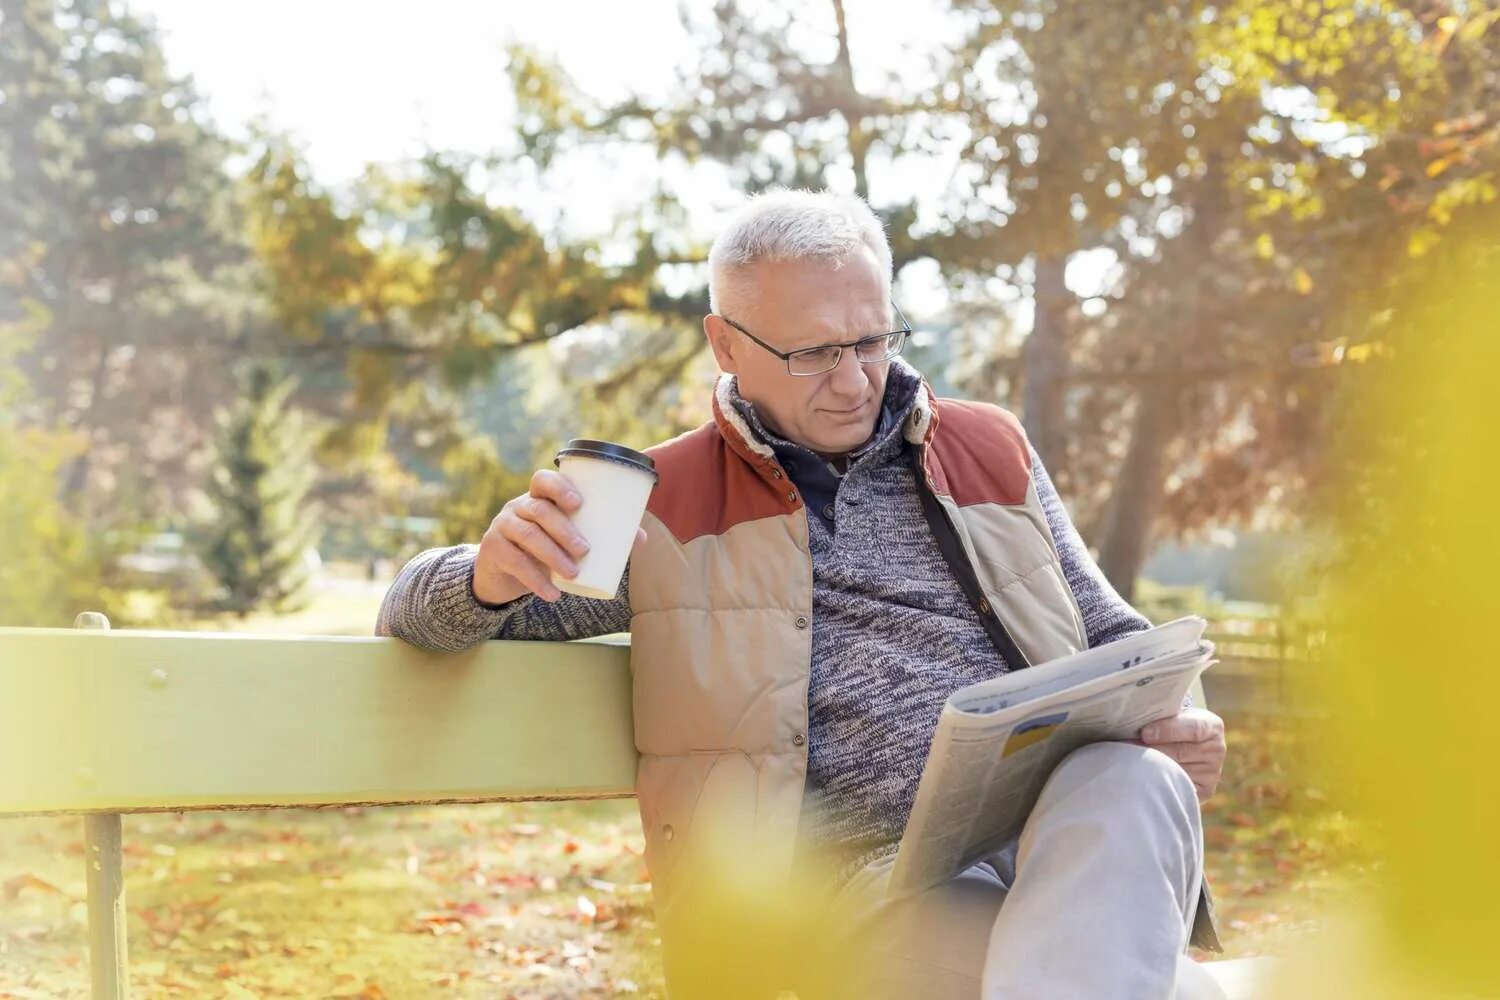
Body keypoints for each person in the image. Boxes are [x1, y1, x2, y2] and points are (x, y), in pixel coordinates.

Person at [377, 189, 1227, 999]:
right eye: (815, 352)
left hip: (1057, 845)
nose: (855, 380)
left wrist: (1180, 712)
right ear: (727, 345)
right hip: (876, 897)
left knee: (1138, 781)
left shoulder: (989, 445)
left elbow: (1115, 627)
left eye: (872, 340)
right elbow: (414, 611)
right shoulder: (663, 504)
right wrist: (486, 575)